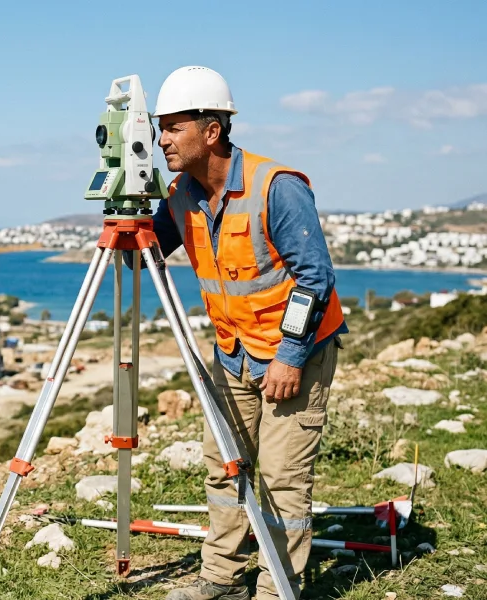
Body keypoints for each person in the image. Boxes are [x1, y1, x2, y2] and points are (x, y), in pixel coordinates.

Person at [147, 66, 348, 600]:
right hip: (232, 353)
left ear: (211, 131)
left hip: (291, 354)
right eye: (158, 128)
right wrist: (127, 212)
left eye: (172, 127)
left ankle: (278, 585)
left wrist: (290, 356)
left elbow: (316, 278)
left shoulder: (274, 187)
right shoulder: (181, 195)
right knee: (224, 468)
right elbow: (146, 253)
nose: (161, 139)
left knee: (282, 479)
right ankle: (222, 575)